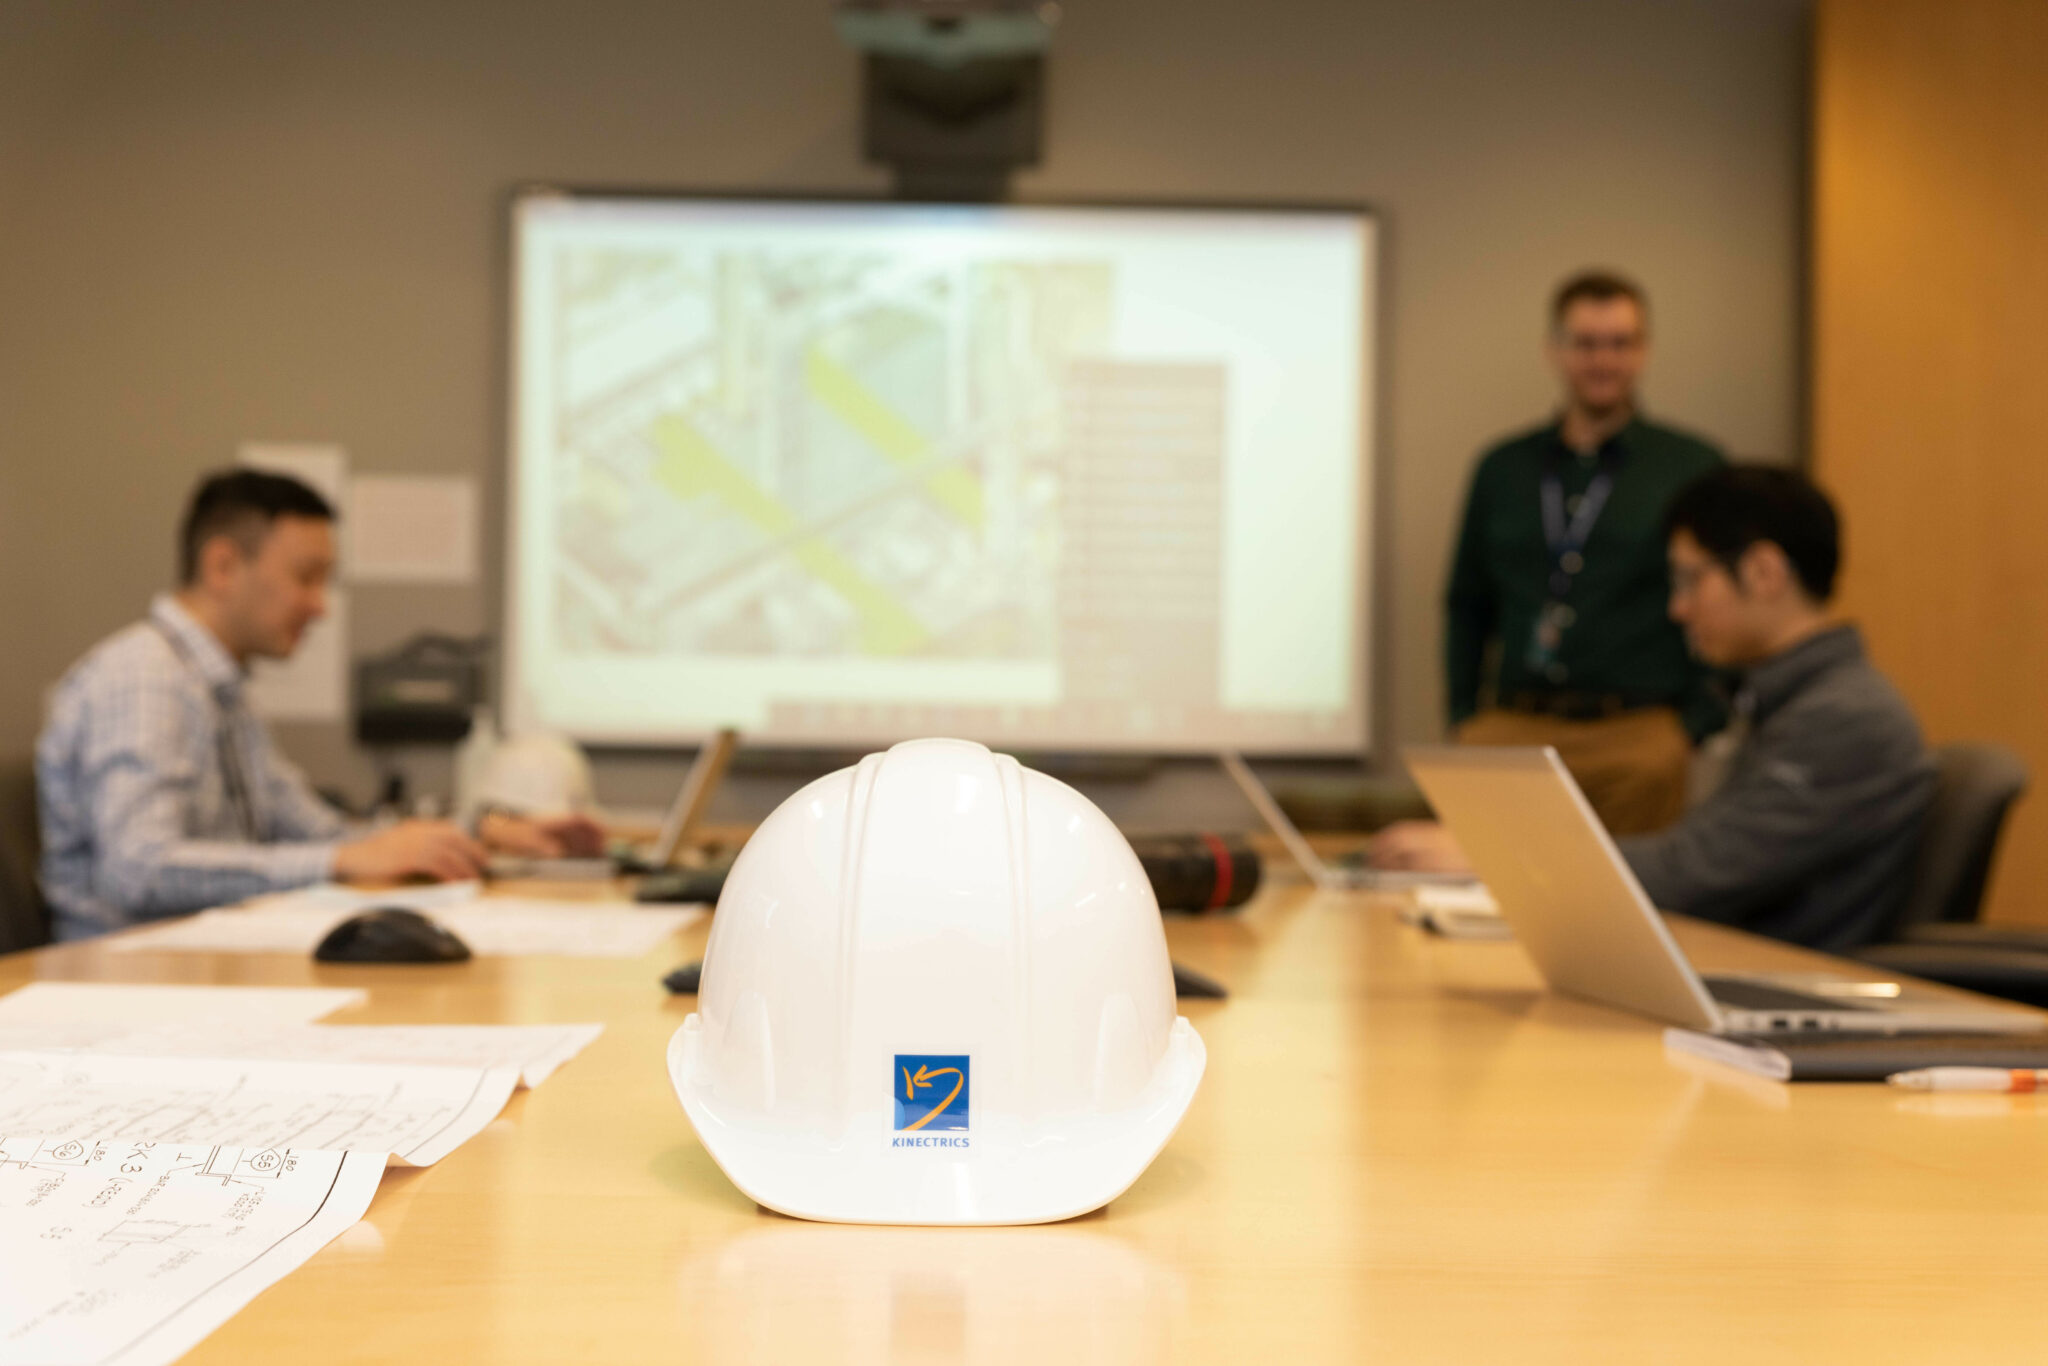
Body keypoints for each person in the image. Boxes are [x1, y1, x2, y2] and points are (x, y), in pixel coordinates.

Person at [1377, 466, 1936, 953]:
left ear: (1765, 573)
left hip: (1781, 996)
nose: (1678, 607)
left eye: (1692, 578)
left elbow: (1697, 871)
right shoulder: (1793, 698)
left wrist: (1499, 856)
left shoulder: (1846, 717)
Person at [37, 469, 603, 941]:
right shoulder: (146, 678)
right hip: (125, 981)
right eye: (306, 578)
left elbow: (319, 832)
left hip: (203, 958)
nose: (320, 607)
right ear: (222, 567)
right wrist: (339, 864)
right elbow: (138, 870)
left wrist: (478, 834)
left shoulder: (223, 691)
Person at [1444, 270, 1725, 835]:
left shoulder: (1691, 466)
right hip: (1512, 730)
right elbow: (1466, 601)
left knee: (1631, 904)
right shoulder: (1502, 467)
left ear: (1643, 351)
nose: (1603, 360)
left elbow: (1723, 601)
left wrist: (1694, 725)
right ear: (1556, 351)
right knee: (1482, 898)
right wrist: (1462, 719)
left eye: (1620, 343)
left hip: (1637, 739)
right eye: (1586, 343)